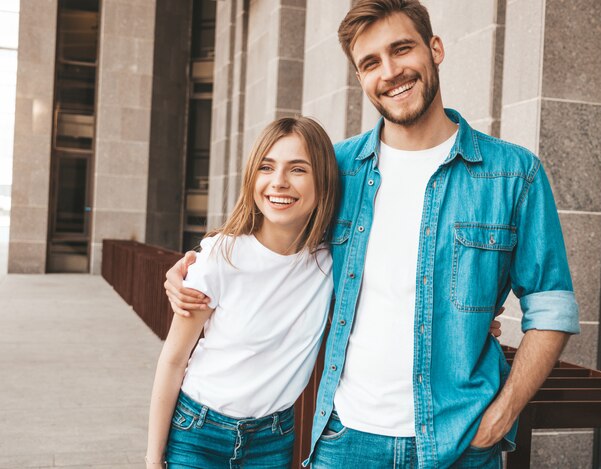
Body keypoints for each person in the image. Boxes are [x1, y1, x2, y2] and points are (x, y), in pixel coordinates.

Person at [164, 1, 579, 467]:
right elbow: (264, 233)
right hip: (346, 441)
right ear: (360, 78)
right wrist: (192, 267)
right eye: (370, 63)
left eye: (401, 49)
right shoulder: (334, 170)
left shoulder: (513, 174)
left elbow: (552, 305)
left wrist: (503, 415)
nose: (390, 72)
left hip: (460, 442)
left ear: (435, 48)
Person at [145, 116, 339, 469]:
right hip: (198, 431)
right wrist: (152, 458)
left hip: (273, 439)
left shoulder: (331, 262)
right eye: (267, 167)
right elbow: (173, 360)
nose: (278, 182)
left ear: (322, 182)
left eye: (298, 170)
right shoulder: (221, 256)